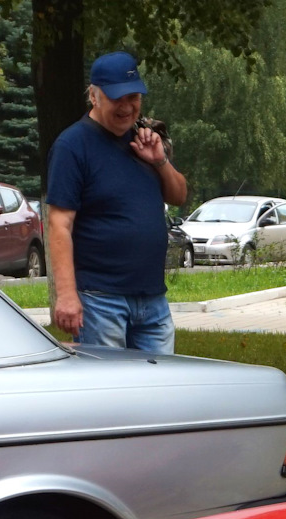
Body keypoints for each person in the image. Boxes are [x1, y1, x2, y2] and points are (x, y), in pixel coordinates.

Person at [45, 51, 188, 353]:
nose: (127, 107)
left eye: (134, 97)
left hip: (152, 299)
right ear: (94, 97)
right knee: (110, 394)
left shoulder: (143, 140)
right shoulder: (72, 146)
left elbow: (179, 195)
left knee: (161, 393)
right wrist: (67, 295)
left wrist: (160, 161)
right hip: (100, 300)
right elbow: (59, 224)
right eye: (117, 99)